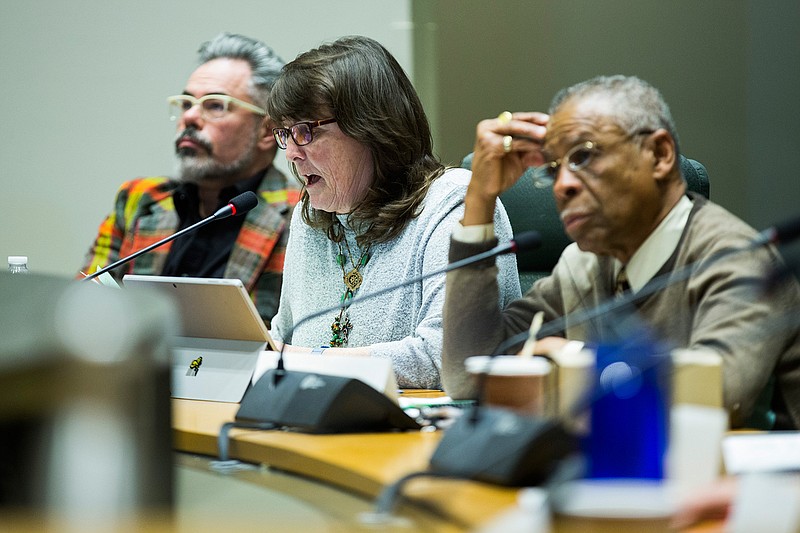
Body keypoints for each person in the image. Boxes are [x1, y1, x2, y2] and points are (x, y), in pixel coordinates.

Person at [441, 75, 800, 429]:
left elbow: (717, 398)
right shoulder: (583, 266)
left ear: (659, 155)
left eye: (583, 156)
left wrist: (574, 358)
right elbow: (468, 374)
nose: (563, 185)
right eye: (554, 169)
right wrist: (479, 201)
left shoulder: (736, 258)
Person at [266, 36, 521, 389]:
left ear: (372, 128)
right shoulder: (310, 218)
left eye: (305, 131)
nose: (291, 153)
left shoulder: (454, 203)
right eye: (285, 134)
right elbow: (280, 339)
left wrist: (303, 359)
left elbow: (443, 357)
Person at [80, 33, 299, 325]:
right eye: (186, 104)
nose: (190, 118)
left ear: (267, 131)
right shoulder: (139, 199)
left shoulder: (302, 217)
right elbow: (83, 303)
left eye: (214, 105)